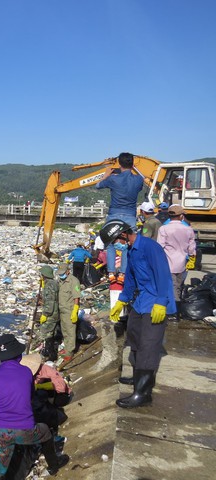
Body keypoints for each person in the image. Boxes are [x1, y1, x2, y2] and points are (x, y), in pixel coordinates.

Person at [100, 219, 176, 408]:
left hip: (154, 304)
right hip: (140, 303)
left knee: (148, 347)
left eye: (116, 241)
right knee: (134, 339)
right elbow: (131, 280)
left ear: (123, 234)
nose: (116, 246)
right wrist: (122, 301)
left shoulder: (150, 248)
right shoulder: (131, 251)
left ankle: (142, 394)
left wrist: (161, 302)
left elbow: (164, 276)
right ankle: (137, 378)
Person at [0, 334, 69, 477]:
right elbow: (29, 397)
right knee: (45, 431)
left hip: (0, 431)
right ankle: (53, 465)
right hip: (24, 430)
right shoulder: (26, 372)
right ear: (18, 355)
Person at [95, 152, 144, 285]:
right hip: (130, 216)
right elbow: (141, 178)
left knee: (110, 244)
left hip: (114, 215)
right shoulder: (139, 179)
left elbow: (98, 185)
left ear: (119, 163)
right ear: (132, 164)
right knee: (128, 246)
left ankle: (111, 273)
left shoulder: (113, 179)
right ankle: (122, 274)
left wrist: (107, 173)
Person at [157, 205, 196, 318]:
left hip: (168, 264)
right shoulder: (188, 229)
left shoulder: (163, 229)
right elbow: (191, 249)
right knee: (178, 287)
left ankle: (173, 313)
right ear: (181, 216)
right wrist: (191, 259)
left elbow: (160, 247)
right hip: (183, 264)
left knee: (171, 288)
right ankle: (176, 311)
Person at [56, 263, 81, 362]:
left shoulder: (74, 281)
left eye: (62, 273)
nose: (61, 275)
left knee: (70, 331)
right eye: (59, 273)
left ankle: (70, 352)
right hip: (61, 309)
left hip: (69, 310)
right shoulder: (60, 281)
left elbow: (76, 297)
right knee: (64, 330)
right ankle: (66, 347)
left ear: (68, 271)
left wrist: (75, 310)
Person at [38, 265, 60, 361]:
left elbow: (50, 301)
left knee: (46, 334)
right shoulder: (54, 283)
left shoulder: (49, 285)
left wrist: (45, 314)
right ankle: (50, 353)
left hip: (51, 313)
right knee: (51, 333)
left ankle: (50, 355)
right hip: (56, 311)